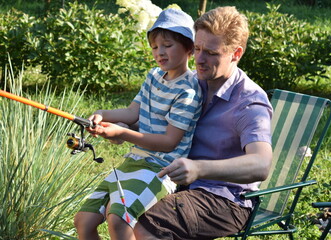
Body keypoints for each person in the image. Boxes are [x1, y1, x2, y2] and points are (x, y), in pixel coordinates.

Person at [132, 6, 273, 240]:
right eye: (197, 48)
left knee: (147, 225)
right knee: (120, 208)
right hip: (179, 184)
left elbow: (261, 164)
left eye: (211, 52)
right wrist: (123, 130)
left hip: (226, 200)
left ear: (236, 54)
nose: (198, 59)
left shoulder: (249, 102)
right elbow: (164, 127)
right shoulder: (192, 84)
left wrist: (199, 168)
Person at [74, 8, 202, 240]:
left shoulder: (188, 91)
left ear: (189, 48)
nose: (159, 52)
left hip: (161, 169)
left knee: (119, 220)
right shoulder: (154, 76)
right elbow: (133, 112)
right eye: (154, 47)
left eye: (167, 45)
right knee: (83, 220)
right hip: (134, 160)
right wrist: (103, 114)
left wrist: (122, 132)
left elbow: (168, 143)